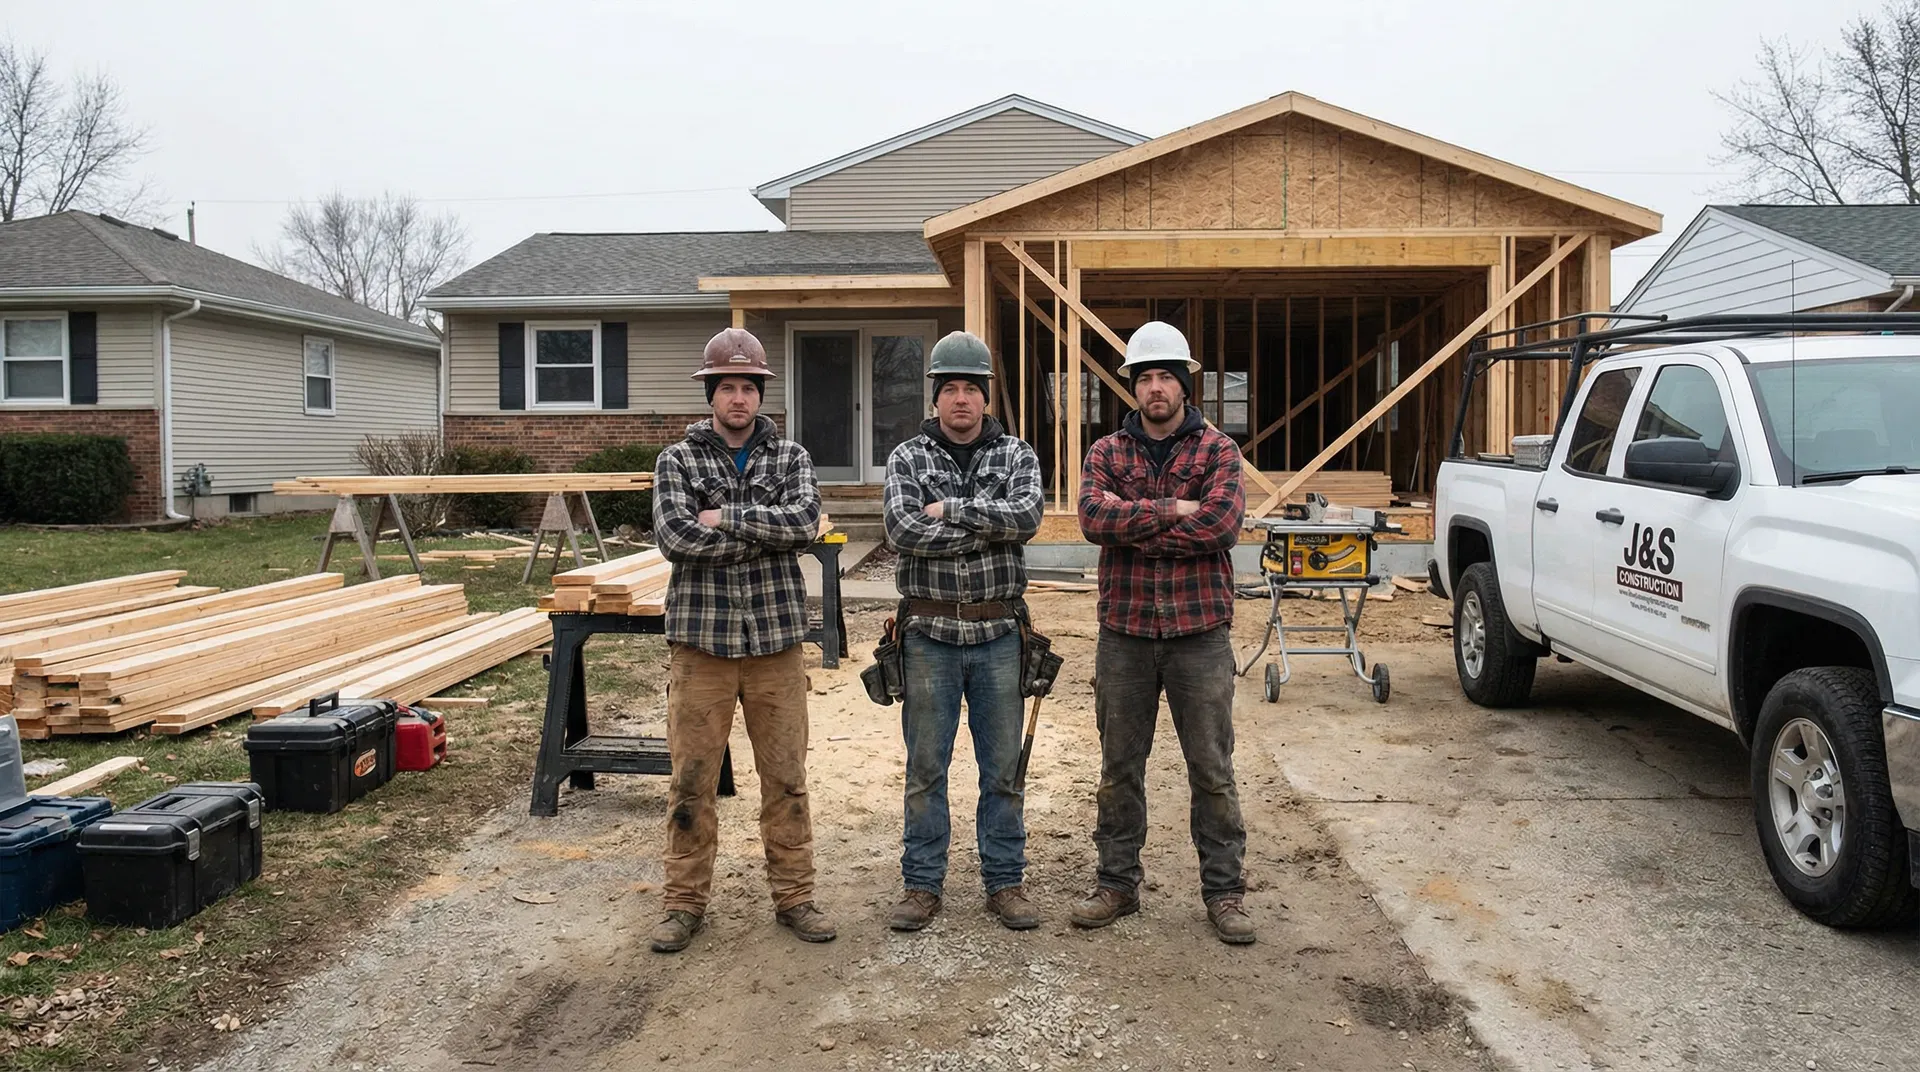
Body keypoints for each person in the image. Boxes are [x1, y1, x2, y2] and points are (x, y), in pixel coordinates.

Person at [648, 326, 835, 953]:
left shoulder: (792, 459)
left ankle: (795, 897)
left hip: (776, 645)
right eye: (726, 387)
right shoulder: (677, 460)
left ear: (761, 393)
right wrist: (765, 533)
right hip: (701, 645)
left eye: (747, 387)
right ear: (710, 393)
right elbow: (675, 538)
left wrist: (725, 517)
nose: (737, 398)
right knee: (691, 781)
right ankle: (682, 904)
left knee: (786, 777)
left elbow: (806, 523)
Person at [1072, 320, 1255, 945]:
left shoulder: (1219, 452)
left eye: (1165, 378)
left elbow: (1222, 527)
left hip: (1200, 635)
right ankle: (1116, 884)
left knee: (1211, 768)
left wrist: (1138, 527)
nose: (1155, 388)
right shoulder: (1105, 453)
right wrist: (1171, 509)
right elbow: (1093, 519)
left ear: (1184, 384)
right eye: (1145, 377)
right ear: (1133, 386)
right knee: (1119, 767)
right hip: (1123, 634)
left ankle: (1225, 892)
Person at [881, 331, 1045, 932]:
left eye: (970, 388)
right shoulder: (907, 458)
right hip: (927, 635)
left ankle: (1005, 882)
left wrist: (948, 511)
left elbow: (1027, 518)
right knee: (927, 767)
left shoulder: (1018, 454)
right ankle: (922, 884)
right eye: (949, 388)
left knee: (1002, 767)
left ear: (985, 396)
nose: (960, 400)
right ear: (935, 398)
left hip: (1000, 632)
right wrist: (988, 527)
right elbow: (901, 530)